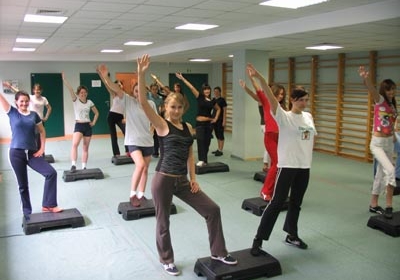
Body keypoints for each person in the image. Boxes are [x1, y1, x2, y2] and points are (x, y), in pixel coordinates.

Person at [136, 54, 237, 276]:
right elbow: (143, 103)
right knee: (163, 222)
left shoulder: (187, 126)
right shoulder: (162, 125)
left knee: (212, 209)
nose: (176, 111)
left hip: (182, 180)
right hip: (163, 179)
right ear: (165, 107)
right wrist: (142, 74)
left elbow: (190, 155)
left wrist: (194, 179)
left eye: (179, 107)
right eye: (172, 107)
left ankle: (218, 251)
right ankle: (167, 259)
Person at [246, 63, 317, 255]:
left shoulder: (309, 117)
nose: (304, 103)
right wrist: (258, 77)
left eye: (306, 100)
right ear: (292, 100)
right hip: (287, 166)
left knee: (296, 203)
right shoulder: (283, 116)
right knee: (276, 203)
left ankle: (291, 235)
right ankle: (258, 240)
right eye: (301, 100)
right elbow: (269, 95)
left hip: (304, 167)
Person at [97, 64, 157, 207]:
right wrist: (106, 77)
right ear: (133, 92)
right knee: (140, 165)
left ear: (145, 92)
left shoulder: (151, 104)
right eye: (136, 91)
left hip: (147, 141)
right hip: (133, 141)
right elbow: (116, 89)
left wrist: (153, 130)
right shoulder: (129, 101)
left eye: (141, 90)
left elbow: (155, 120)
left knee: (145, 169)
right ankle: (132, 194)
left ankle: (141, 195)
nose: (138, 93)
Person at [0, 85, 63, 217]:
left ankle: (49, 204)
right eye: (21, 101)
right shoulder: (12, 112)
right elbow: (2, 98)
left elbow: (42, 131)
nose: (24, 103)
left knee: (51, 173)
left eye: (26, 101)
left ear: (29, 102)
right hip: (16, 153)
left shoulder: (34, 115)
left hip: (32, 153)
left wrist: (42, 148)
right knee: (23, 185)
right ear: (16, 102)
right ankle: (27, 212)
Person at [358, 66, 397, 219]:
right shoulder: (379, 101)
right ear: (383, 91)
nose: (391, 92)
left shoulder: (393, 105)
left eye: (393, 89)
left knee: (380, 174)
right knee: (391, 171)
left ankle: (373, 204)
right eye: (388, 90)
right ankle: (389, 205)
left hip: (388, 142)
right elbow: (371, 89)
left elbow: (391, 122)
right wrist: (366, 78)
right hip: (378, 143)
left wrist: (393, 134)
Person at [240, 76, 286, 201]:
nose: (281, 96)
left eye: (283, 94)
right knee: (277, 163)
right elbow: (258, 90)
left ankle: (274, 189)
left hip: (281, 138)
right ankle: (265, 191)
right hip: (270, 136)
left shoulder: (281, 107)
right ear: (273, 93)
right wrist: (251, 78)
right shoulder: (266, 101)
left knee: (278, 165)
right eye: (279, 93)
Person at [176, 73, 220, 166]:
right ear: (203, 90)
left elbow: (219, 109)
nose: (207, 91)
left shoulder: (212, 101)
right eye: (205, 89)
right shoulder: (200, 97)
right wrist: (183, 79)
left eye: (208, 89)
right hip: (200, 125)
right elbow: (191, 87)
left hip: (209, 124)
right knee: (200, 141)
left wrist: (215, 118)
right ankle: (201, 160)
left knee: (207, 143)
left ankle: (205, 160)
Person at [62, 73, 99, 172]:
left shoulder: (90, 102)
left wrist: (94, 122)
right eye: (81, 92)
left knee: (85, 147)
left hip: (87, 126)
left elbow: (96, 113)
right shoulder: (75, 100)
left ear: (87, 93)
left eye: (85, 92)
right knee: (75, 144)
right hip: (79, 125)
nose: (83, 94)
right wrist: (65, 80)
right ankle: (73, 165)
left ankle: (84, 166)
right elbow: (70, 89)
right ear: (78, 94)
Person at [96, 69, 129, 157]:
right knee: (114, 136)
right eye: (116, 85)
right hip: (111, 116)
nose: (118, 86)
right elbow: (106, 84)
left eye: (119, 85)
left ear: (122, 86)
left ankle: (128, 151)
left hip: (120, 116)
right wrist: (100, 74)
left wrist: (126, 117)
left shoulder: (125, 96)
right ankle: (116, 153)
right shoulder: (114, 94)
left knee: (126, 132)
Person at [147, 83, 164, 157]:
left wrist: (161, 112)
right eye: (153, 89)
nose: (155, 91)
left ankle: (156, 151)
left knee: (157, 135)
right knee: (148, 134)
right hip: (147, 117)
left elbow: (162, 106)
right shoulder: (147, 96)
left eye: (156, 89)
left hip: (156, 117)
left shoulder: (160, 98)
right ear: (150, 90)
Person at [211, 86, 227, 156]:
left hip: (220, 119)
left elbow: (224, 110)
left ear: (220, 92)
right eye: (214, 92)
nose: (215, 93)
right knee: (217, 134)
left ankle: (221, 150)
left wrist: (224, 120)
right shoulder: (213, 99)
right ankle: (218, 149)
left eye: (217, 92)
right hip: (214, 119)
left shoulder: (222, 100)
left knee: (221, 134)